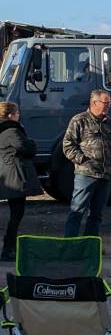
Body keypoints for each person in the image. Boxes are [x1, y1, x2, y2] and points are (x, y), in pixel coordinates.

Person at [62, 90, 111, 238]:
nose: (108, 106)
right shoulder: (79, 120)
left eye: (109, 103)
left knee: (97, 214)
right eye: (105, 103)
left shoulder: (110, 124)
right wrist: (83, 161)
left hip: (105, 175)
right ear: (94, 103)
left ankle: (90, 245)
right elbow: (68, 145)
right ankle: (70, 244)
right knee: (77, 211)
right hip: (86, 175)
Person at [0, 102, 41, 261]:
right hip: (14, 177)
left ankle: (9, 247)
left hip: (8, 174)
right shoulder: (11, 130)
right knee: (17, 214)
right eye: (17, 113)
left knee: (15, 213)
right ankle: (8, 249)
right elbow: (28, 148)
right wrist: (32, 143)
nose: (19, 115)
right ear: (10, 115)